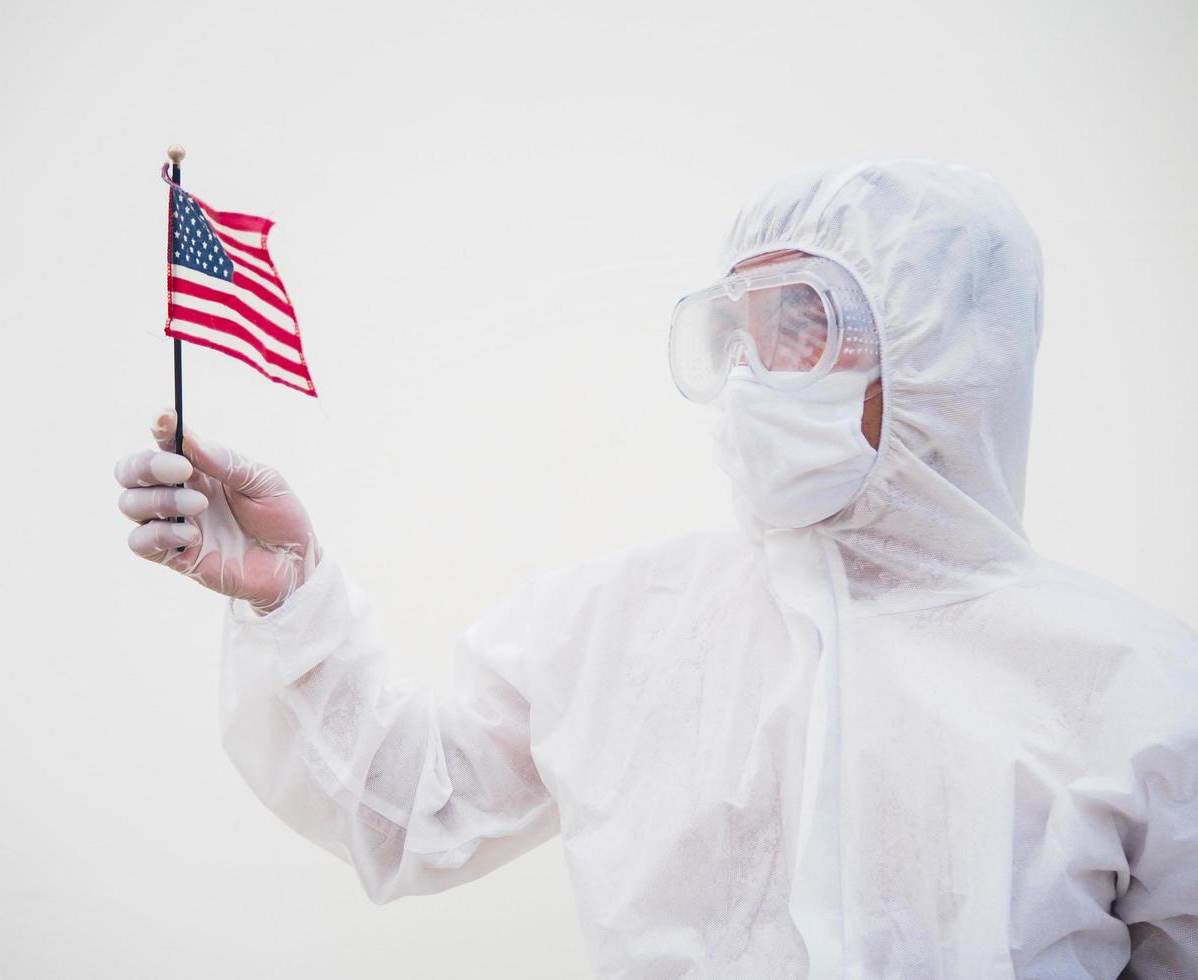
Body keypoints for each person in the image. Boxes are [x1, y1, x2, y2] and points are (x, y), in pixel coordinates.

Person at [114, 159, 1198, 978]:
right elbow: (406, 808)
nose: (749, 369)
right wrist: (287, 592)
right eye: (737, 325)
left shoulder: (1129, 691)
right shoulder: (620, 625)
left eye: (804, 321)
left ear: (953, 355)